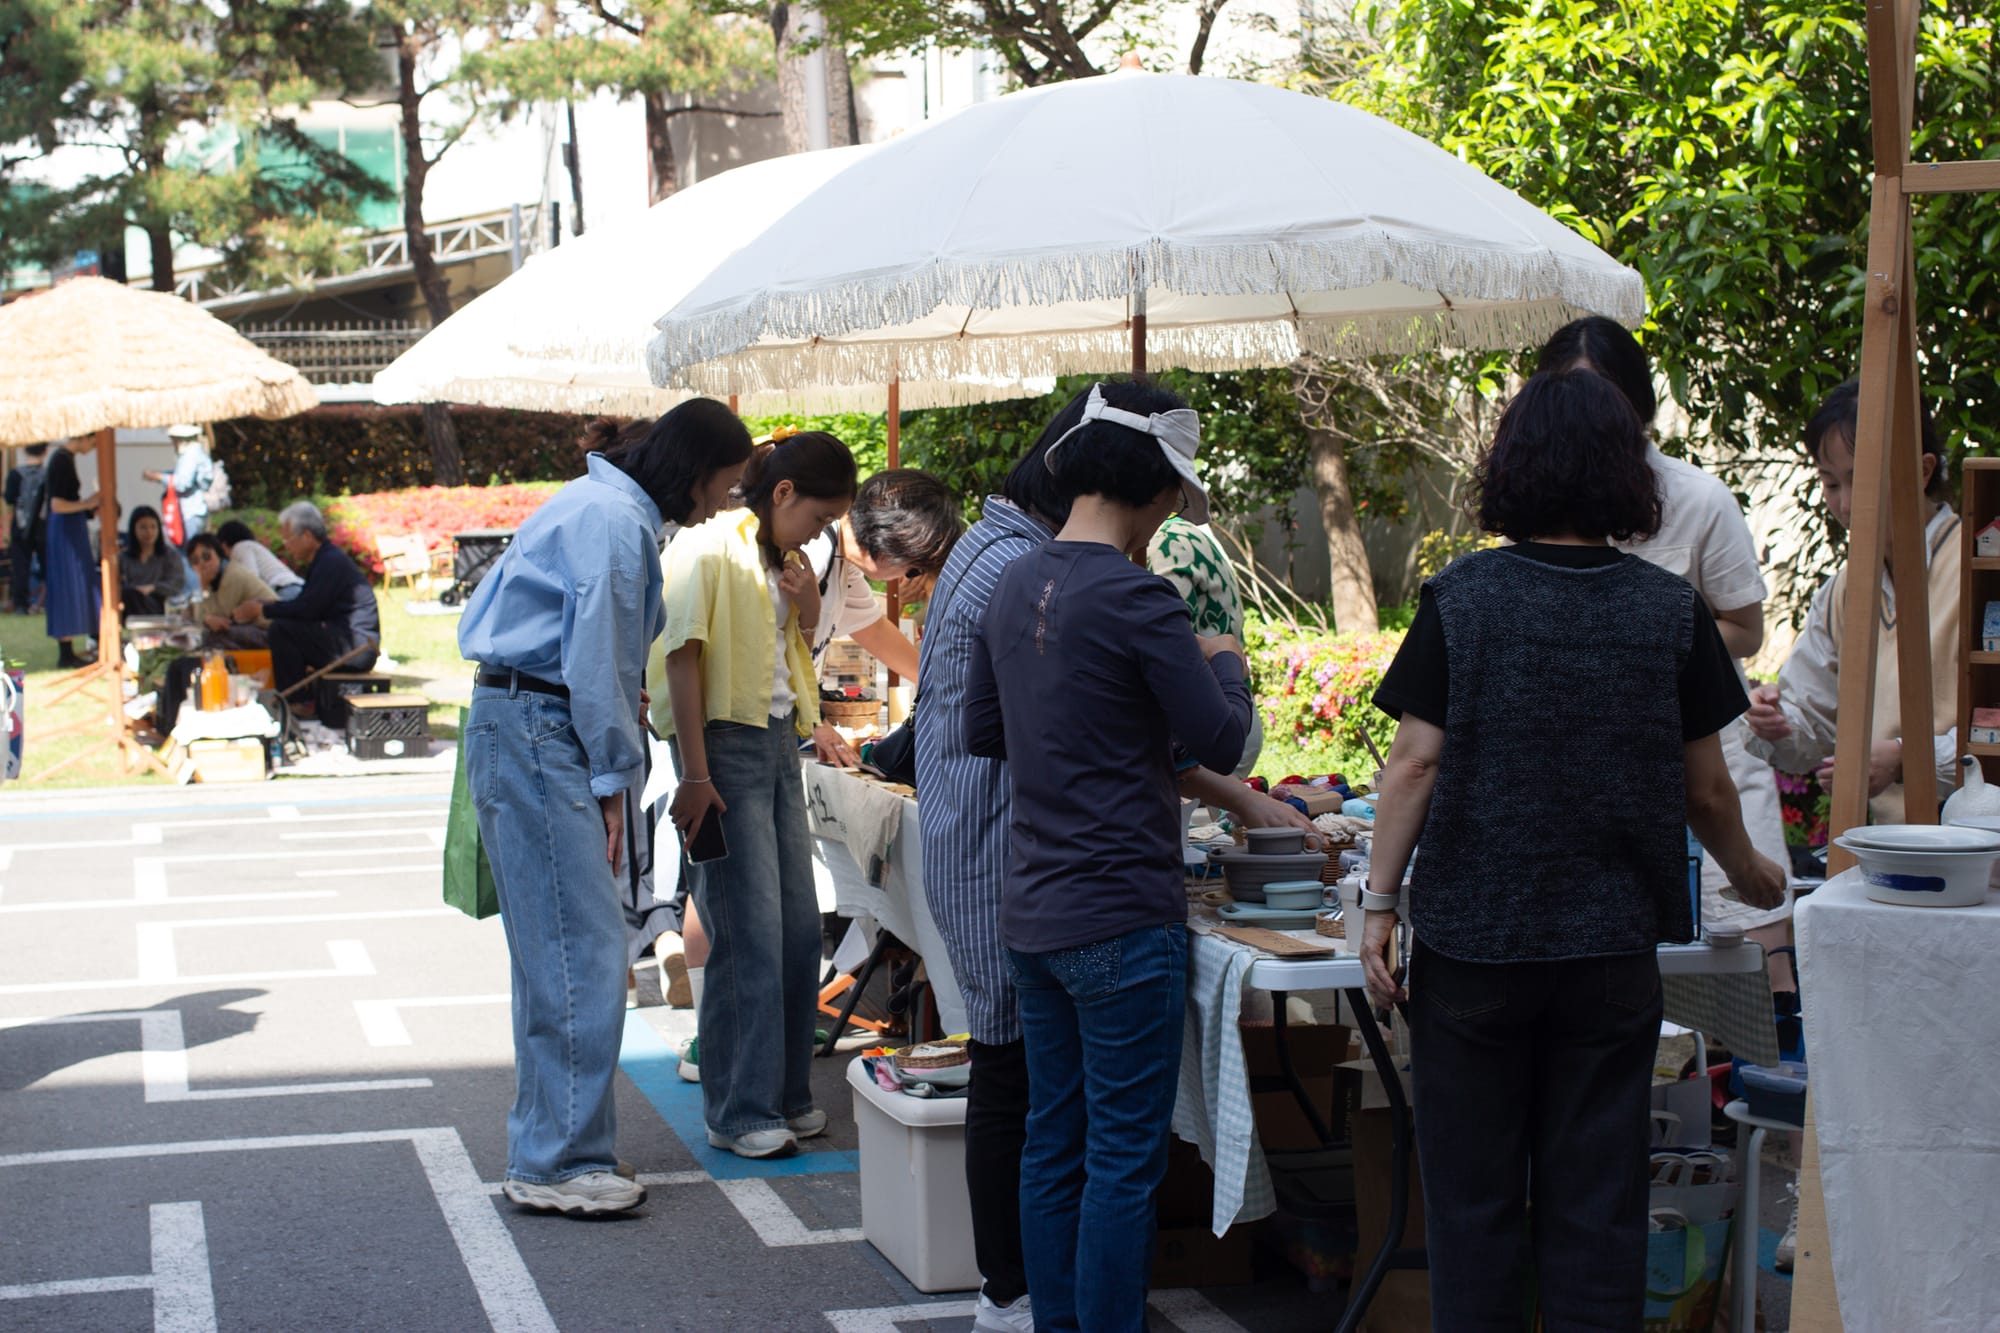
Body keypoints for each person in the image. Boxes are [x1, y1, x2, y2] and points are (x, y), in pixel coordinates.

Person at [1361, 370, 1788, 1328]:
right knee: (1598, 1213)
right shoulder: (1667, 610)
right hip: (1608, 954)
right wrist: (1751, 873)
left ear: (1513, 469)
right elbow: (1709, 788)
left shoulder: (1461, 595)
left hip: (1473, 949)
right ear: (1626, 478)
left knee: (1473, 1211)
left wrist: (1381, 905)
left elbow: (1413, 767)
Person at [914, 382, 1316, 1333]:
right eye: (1176, 489)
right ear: (1151, 485)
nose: (1176, 507)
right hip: (1123, 913)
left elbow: (984, 729)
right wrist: (1222, 655)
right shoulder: (1142, 598)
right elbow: (1221, 740)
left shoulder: (1010, 580)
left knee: (1055, 1144)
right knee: (1122, 1162)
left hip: (1034, 910)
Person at [458, 396, 754, 1216]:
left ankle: (552, 1149)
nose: (720, 504)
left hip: (526, 720)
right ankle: (559, 1159)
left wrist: (609, 773)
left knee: (558, 952)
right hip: (542, 726)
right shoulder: (618, 525)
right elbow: (598, 668)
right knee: (579, 952)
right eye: (725, 486)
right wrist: (612, 779)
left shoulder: (605, 507)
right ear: (695, 474)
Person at [1539, 316, 1794, 948]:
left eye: (1601, 391)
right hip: (1593, 750)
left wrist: (1652, 646)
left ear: (1638, 400)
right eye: (1566, 391)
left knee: (1746, 943)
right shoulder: (1541, 502)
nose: (1586, 410)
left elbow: (1745, 628)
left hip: (1706, 739)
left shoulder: (1700, 499)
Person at [656, 431, 857, 1160]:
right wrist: (696, 772)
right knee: (746, 931)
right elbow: (681, 657)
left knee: (799, 927)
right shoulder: (709, 545)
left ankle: (784, 1093)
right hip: (723, 743)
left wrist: (804, 606)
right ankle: (740, 1110)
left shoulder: (779, 556)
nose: (822, 531)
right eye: (818, 515)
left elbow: (789, 651)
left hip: (775, 737)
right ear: (782, 493)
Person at [1744, 378, 1962, 825]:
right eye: (1830, 484)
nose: (1845, 506)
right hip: (1884, 849)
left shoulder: (1977, 570)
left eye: (1861, 480)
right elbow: (1810, 723)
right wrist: (1776, 718)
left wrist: (1906, 757)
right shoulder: (1845, 591)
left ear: (1922, 471)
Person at [799, 464, 963, 765]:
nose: (907, 576)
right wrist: (814, 722)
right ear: (892, 545)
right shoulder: (815, 553)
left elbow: (873, 629)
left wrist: (938, 685)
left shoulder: (840, 560)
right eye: (914, 568)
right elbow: (770, 648)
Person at [231, 502, 380, 711]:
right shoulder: (325, 559)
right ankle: (298, 699)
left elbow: (307, 609)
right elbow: (306, 605)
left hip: (356, 647)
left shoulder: (330, 562)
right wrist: (269, 606)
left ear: (307, 536)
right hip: (345, 638)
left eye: (288, 540)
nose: (286, 546)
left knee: (282, 630)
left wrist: (262, 610)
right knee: (286, 627)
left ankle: (296, 702)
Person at [1146, 514, 1261, 777]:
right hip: (1232, 709)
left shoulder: (1163, 543)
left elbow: (1170, 642)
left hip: (1214, 723)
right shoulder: (1179, 531)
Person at [37, 436, 101, 669]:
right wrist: (87, 503)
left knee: (78, 583)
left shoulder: (64, 458)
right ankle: (66, 653)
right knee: (68, 584)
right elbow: (58, 504)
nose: (93, 446)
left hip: (69, 527)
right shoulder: (61, 460)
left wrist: (88, 508)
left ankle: (75, 648)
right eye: (93, 441)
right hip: (64, 531)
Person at [187, 533, 274, 648]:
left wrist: (204, 585)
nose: (202, 564)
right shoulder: (216, 579)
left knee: (213, 638)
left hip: (270, 632)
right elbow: (199, 619)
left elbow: (221, 620)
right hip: (255, 630)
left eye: (206, 557)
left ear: (218, 554)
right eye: (195, 561)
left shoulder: (232, 574)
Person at [117, 506, 184, 619]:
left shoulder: (169, 555)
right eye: (143, 527)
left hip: (159, 604)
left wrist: (153, 587)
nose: (149, 532)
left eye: (153, 527)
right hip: (130, 603)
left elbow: (176, 583)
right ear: (134, 529)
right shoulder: (125, 557)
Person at [216, 520, 304, 601]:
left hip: (285, 591)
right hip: (296, 588)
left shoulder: (240, 547)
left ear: (223, 544)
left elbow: (252, 580)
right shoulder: (252, 546)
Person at [6, 443, 46, 614]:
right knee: (48, 566)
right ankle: (46, 602)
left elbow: (9, 499)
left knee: (21, 567)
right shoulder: (47, 474)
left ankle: (21, 605)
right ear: (45, 451)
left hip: (21, 526)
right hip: (43, 525)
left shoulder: (16, 474)